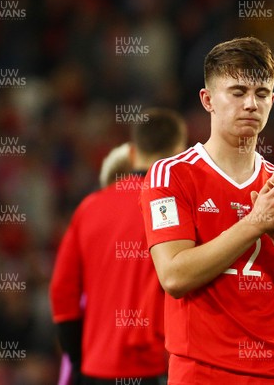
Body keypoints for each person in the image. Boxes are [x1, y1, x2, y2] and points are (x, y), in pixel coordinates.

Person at [140, 37, 274, 384]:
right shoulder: (171, 175)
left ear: (273, 101)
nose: (250, 104)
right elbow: (174, 276)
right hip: (204, 374)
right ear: (208, 99)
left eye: (261, 94)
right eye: (238, 92)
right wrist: (256, 223)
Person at [50, 108, 188, 384]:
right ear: (179, 154)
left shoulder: (89, 208)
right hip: (158, 367)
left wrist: (79, 361)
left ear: (134, 153)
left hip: (96, 368)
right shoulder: (179, 209)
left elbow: (62, 294)